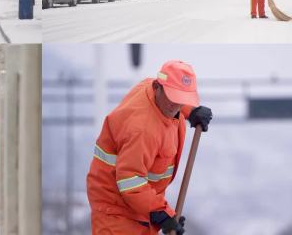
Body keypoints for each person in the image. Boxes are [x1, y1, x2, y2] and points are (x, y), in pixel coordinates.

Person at [87, 60, 213, 234]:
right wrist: (162, 214)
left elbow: (174, 101)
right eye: (172, 97)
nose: (175, 105)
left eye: (182, 99)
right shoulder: (142, 129)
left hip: (140, 206)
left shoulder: (151, 89)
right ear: (158, 87)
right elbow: (130, 182)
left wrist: (191, 112)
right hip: (117, 210)